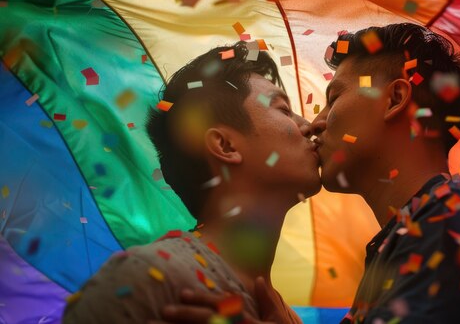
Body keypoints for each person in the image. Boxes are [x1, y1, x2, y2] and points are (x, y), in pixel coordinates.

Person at [161, 23, 460, 324]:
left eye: (334, 98)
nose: (315, 123)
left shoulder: (453, 222)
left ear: (395, 99)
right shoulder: (414, 233)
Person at [62, 41, 320, 323]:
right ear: (225, 145)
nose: (309, 126)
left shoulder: (288, 318)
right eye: (283, 109)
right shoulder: (146, 278)